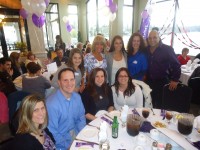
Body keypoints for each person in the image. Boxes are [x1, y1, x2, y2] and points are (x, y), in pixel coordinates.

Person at [46, 68, 86, 149]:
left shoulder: (77, 97)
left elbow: (81, 118)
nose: (69, 83)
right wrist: (68, 145)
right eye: (65, 80)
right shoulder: (51, 104)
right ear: (59, 82)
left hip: (76, 133)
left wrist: (81, 136)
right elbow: (52, 132)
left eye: (72, 79)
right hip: (60, 143)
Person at [145, 30, 181, 108]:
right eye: (150, 38)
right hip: (148, 81)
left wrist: (175, 79)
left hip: (162, 82)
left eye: (154, 37)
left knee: (160, 104)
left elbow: (176, 64)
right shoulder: (146, 49)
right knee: (149, 102)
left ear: (159, 38)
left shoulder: (167, 49)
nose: (152, 40)